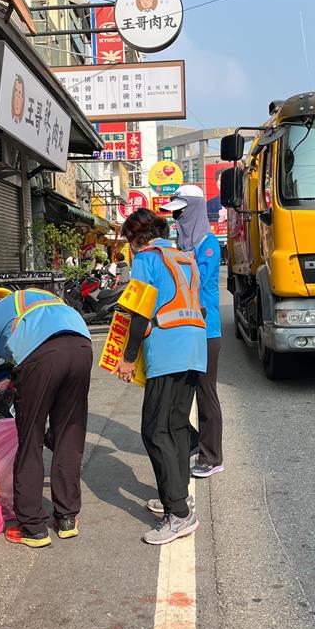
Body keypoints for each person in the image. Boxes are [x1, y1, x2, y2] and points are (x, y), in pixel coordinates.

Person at [0, 287, 92, 548]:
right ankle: (67, 519)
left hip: (40, 356)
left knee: (30, 440)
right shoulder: (35, 296)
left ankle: (33, 527)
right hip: (82, 346)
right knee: (69, 434)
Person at [113, 209, 207, 545]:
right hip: (195, 347)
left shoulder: (146, 259)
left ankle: (178, 514)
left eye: (128, 241)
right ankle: (179, 497)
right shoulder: (183, 257)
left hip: (168, 350)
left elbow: (140, 311)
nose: (129, 248)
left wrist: (127, 357)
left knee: (155, 430)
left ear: (135, 237)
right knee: (177, 427)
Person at [161, 185, 224, 478]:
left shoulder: (208, 244)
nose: (177, 219)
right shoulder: (180, 246)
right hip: (182, 329)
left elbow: (196, 279)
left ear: (195, 210)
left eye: (181, 212)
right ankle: (194, 441)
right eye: (174, 214)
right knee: (178, 392)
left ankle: (212, 456)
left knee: (205, 392)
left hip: (206, 331)